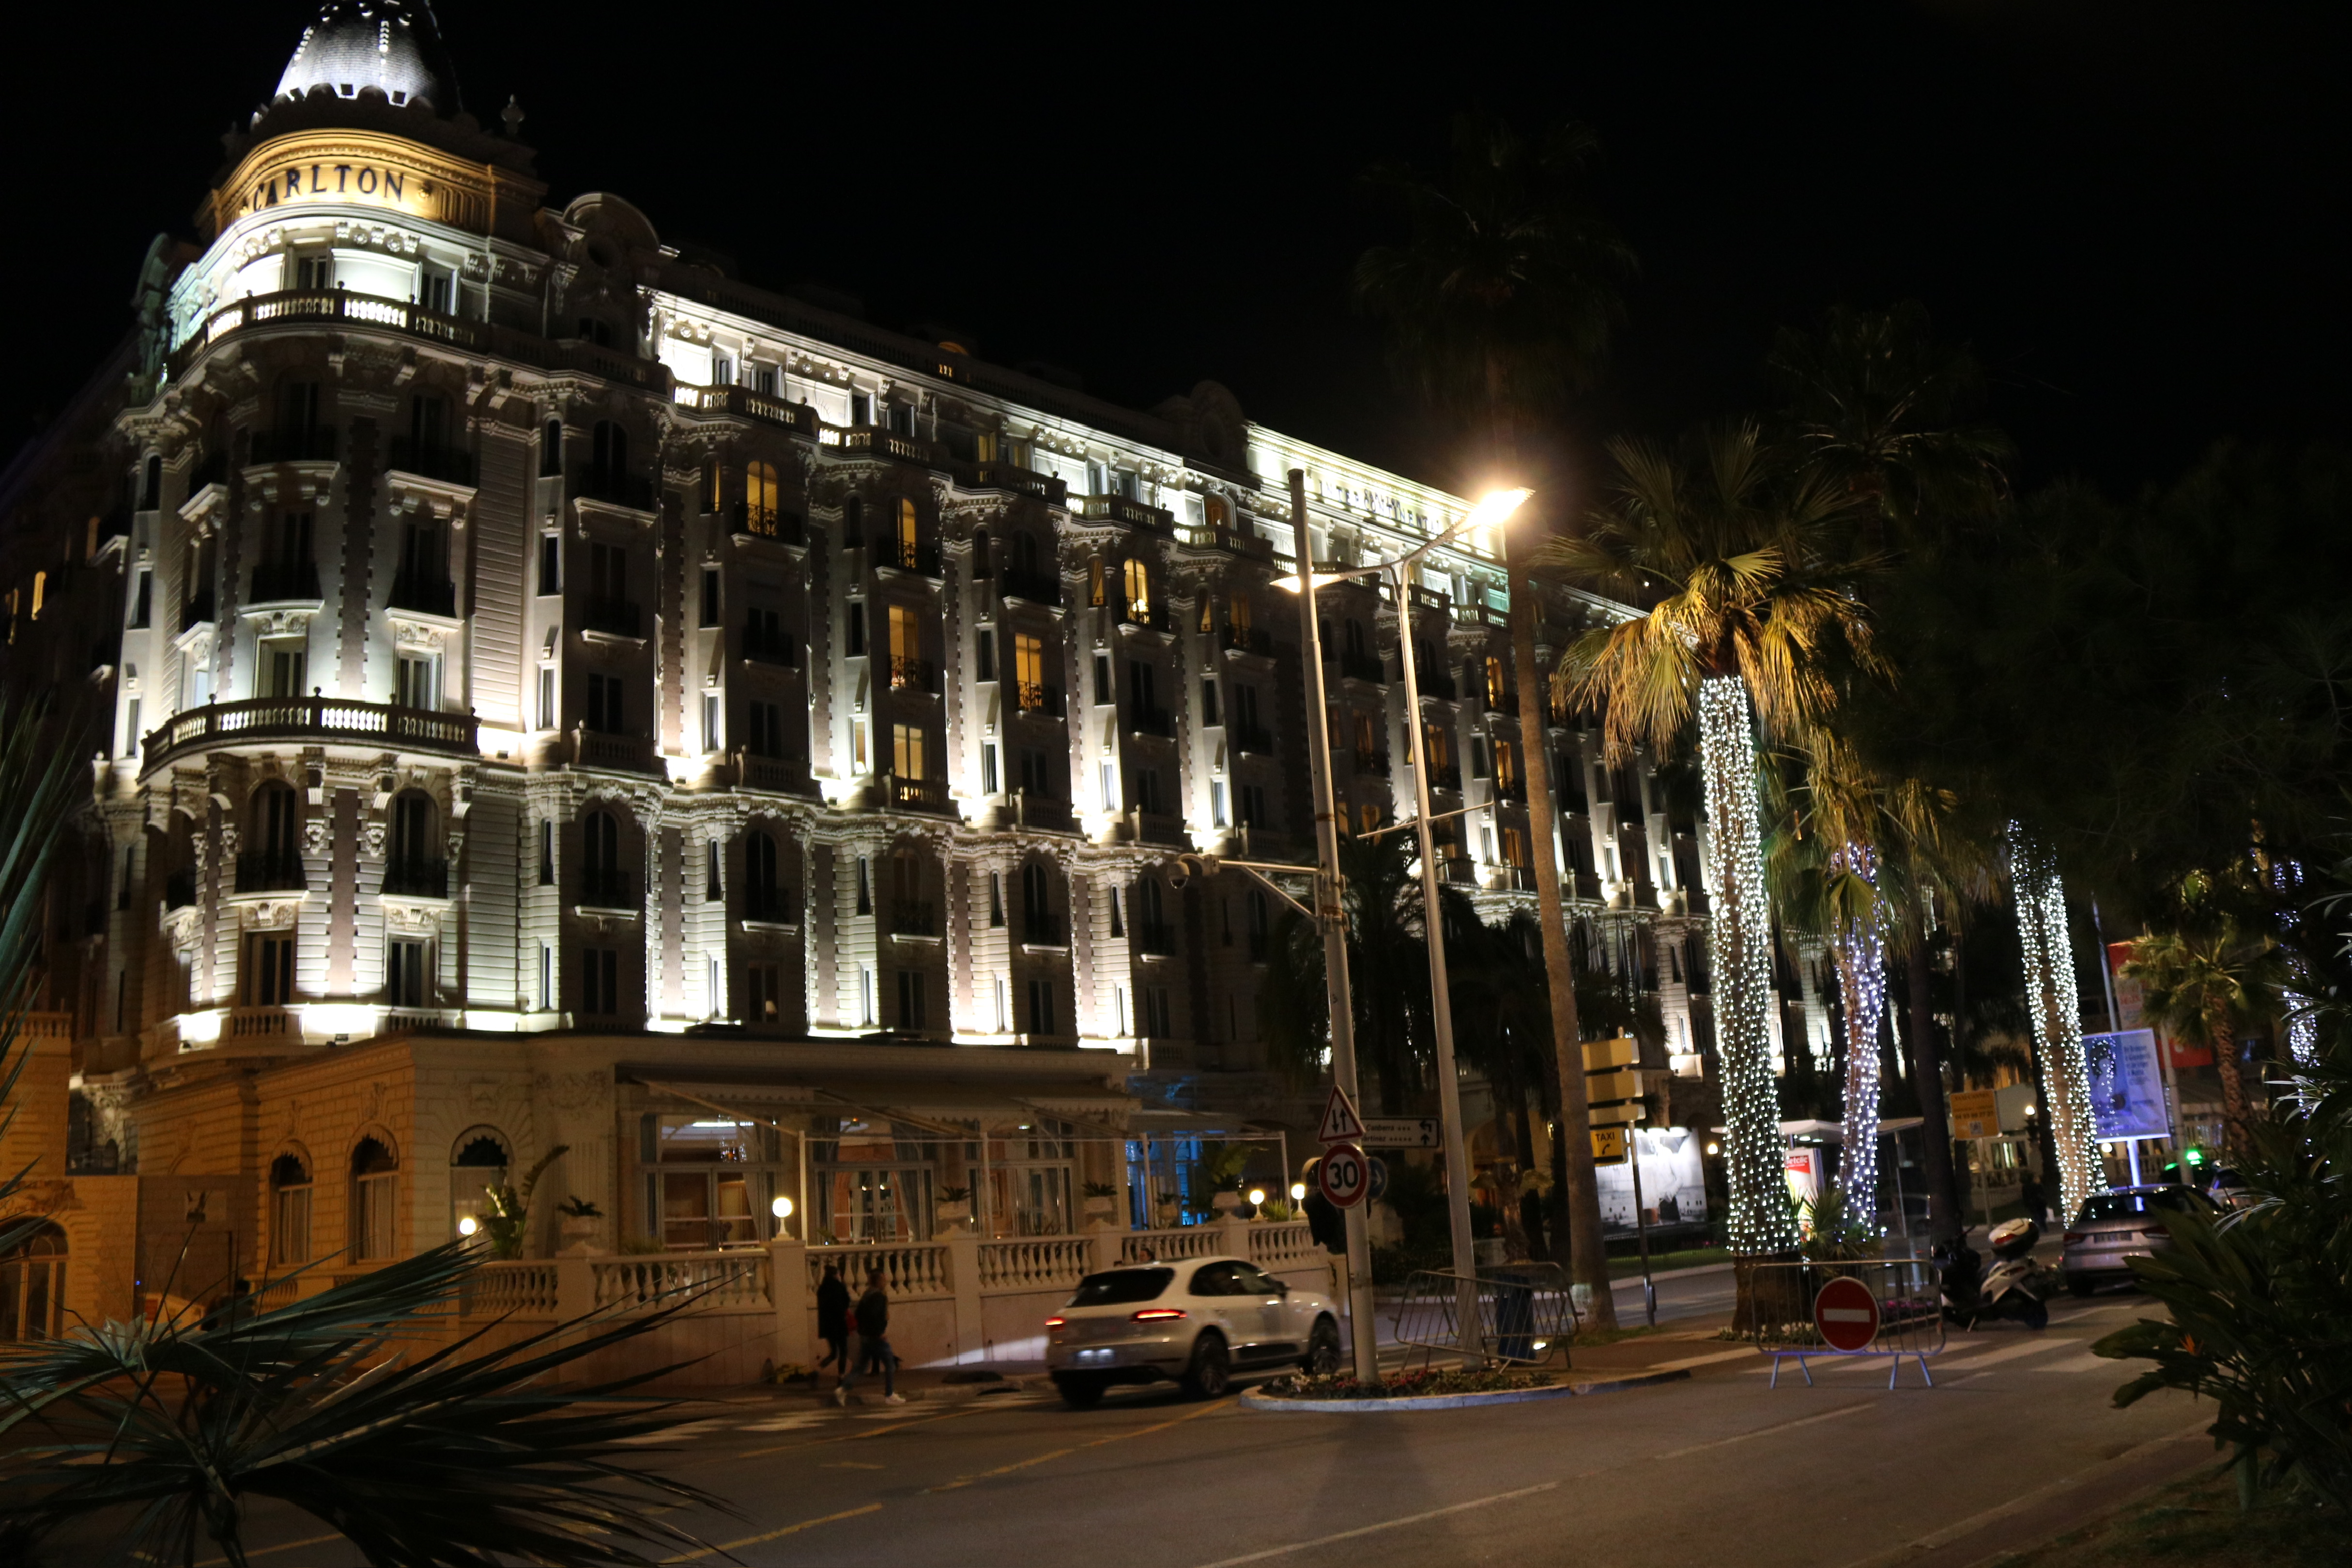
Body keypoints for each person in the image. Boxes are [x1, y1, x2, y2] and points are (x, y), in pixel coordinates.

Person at [837, 1267, 905, 1406]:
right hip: (876, 1337)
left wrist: (864, 1331)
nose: (886, 1281)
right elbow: (875, 1316)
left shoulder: (867, 1295)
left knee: (860, 1367)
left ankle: (843, 1389)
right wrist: (880, 1332)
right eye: (884, 1279)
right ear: (879, 1280)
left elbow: (858, 1315)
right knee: (890, 1364)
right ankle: (889, 1394)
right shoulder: (879, 1296)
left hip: (866, 1336)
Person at [815, 1262, 851, 1385]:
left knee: (834, 1353)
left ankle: (817, 1371)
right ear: (836, 1275)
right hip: (839, 1324)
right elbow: (846, 1302)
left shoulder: (822, 1288)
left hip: (827, 1326)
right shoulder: (839, 1286)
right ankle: (841, 1377)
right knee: (843, 1351)